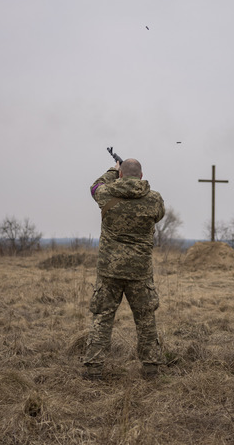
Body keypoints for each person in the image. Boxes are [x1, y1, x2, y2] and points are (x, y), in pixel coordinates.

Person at [83, 158, 165, 379]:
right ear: (140, 175)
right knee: (146, 319)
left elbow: (94, 187)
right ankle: (151, 369)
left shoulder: (107, 193)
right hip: (139, 271)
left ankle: (93, 369)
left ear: (120, 174)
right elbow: (159, 215)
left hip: (109, 270)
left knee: (102, 318)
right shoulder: (154, 199)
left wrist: (112, 169)